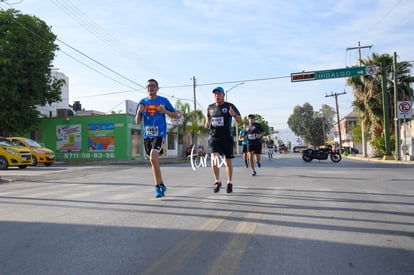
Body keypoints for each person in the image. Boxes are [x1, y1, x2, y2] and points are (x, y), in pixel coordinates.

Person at [135, 79, 180, 198]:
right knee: (153, 161)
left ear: (157, 88)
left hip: (159, 134)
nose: (151, 88)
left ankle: (157, 187)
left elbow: (176, 115)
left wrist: (165, 111)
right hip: (147, 136)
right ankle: (162, 185)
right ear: (146, 89)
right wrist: (139, 112)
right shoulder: (142, 102)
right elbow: (137, 121)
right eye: (149, 86)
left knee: (153, 158)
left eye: (153, 86)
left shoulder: (163, 101)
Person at [205, 87, 242, 193]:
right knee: (214, 159)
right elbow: (207, 121)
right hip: (214, 138)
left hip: (226, 138)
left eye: (219, 94)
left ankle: (229, 182)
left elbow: (240, 121)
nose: (217, 96)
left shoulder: (229, 106)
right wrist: (207, 123)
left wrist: (233, 115)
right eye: (215, 94)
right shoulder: (210, 107)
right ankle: (217, 181)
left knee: (227, 161)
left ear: (223, 95)